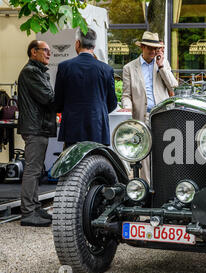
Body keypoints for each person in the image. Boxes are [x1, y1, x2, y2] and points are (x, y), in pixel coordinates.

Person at [121, 31, 178, 182]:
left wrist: (161, 67)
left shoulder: (163, 64)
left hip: (161, 115)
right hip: (142, 116)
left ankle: (164, 184)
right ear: (143, 47)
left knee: (164, 152)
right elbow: (126, 95)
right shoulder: (129, 68)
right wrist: (127, 109)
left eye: (156, 48)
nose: (153, 52)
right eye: (150, 48)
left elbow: (173, 85)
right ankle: (146, 187)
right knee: (144, 154)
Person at [55, 28, 117, 149]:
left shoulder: (64, 67)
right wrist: (98, 111)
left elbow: (58, 102)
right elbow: (112, 103)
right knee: (96, 165)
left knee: (72, 165)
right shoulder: (106, 69)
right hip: (98, 128)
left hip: (72, 128)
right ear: (94, 46)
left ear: (77, 43)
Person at [17, 40, 56, 227]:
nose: (49, 54)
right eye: (46, 50)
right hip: (35, 128)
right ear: (34, 52)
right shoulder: (31, 72)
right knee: (32, 171)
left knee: (35, 170)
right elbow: (48, 97)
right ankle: (28, 212)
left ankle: (34, 206)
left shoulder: (36, 71)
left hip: (37, 127)